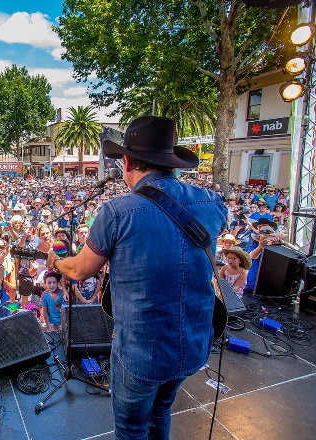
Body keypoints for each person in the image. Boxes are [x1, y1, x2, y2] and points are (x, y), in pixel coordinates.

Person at [45, 116, 227, 440]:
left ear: (127, 161)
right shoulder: (212, 202)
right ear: (171, 163)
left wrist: (55, 261)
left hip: (143, 352)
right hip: (196, 343)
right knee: (160, 412)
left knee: (131, 429)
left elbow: (80, 270)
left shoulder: (118, 211)